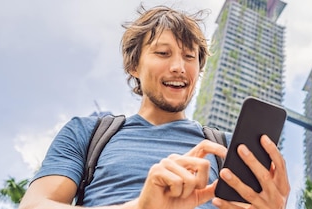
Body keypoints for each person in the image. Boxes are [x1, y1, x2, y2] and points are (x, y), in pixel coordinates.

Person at [19, 5, 290, 209]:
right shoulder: (87, 133)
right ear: (133, 65)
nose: (179, 67)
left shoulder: (229, 149)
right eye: (162, 53)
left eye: (189, 56)